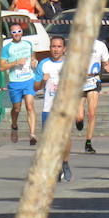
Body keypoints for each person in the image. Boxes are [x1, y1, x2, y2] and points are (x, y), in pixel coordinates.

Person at [34, 36, 73, 182]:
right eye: (53, 47)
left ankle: (65, 162)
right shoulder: (43, 64)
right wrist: (43, 82)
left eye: (59, 47)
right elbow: (35, 87)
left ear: (64, 49)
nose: (56, 50)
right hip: (48, 108)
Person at [0, 22, 38, 145]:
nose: (17, 34)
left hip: (29, 79)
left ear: (22, 32)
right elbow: (1, 66)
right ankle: (14, 125)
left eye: (19, 31)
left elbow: (33, 56)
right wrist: (15, 62)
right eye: (14, 32)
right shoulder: (7, 48)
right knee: (16, 108)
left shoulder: (28, 44)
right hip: (15, 81)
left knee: (30, 105)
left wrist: (34, 61)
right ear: (11, 34)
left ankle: (32, 134)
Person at [76, 38, 109, 154]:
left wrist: (107, 66)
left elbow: (106, 62)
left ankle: (88, 142)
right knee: (80, 116)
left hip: (93, 80)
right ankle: (79, 120)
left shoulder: (100, 45)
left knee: (92, 113)